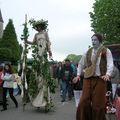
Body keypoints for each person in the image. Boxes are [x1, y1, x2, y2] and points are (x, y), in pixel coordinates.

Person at [74, 33, 114, 120]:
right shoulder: (88, 51)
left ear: (100, 40)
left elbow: (110, 64)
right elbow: (81, 63)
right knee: (83, 102)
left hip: (100, 79)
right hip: (88, 79)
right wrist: (78, 75)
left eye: (95, 40)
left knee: (98, 104)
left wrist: (107, 74)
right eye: (92, 40)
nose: (93, 41)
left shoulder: (106, 51)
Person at [26, 19, 54, 110]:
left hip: (44, 53)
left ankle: (45, 101)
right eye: (36, 27)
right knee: (37, 73)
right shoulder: (36, 35)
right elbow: (33, 43)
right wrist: (26, 41)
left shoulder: (45, 33)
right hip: (38, 53)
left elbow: (48, 43)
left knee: (44, 74)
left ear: (41, 26)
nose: (37, 28)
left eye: (39, 26)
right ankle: (37, 100)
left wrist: (49, 52)